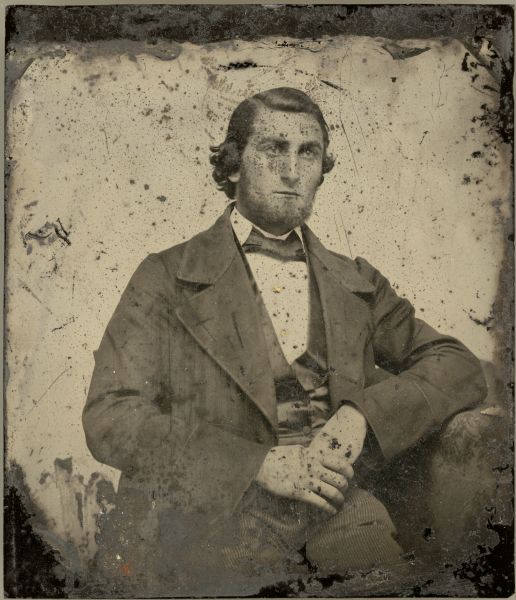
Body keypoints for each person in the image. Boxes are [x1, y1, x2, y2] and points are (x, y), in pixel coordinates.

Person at [83, 87, 487, 596]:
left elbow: (457, 364)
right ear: (232, 166)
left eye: (308, 151)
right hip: (213, 522)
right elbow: (110, 416)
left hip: (338, 506)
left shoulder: (355, 282)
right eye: (273, 149)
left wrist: (361, 414)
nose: (292, 170)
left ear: (323, 169)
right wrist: (256, 465)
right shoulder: (166, 276)